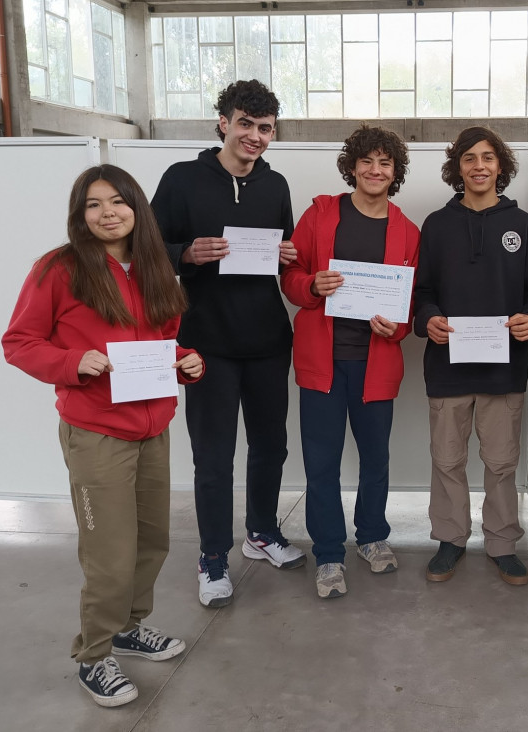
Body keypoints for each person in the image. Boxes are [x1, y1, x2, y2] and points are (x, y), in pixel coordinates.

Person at [2, 165, 204, 707]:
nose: (107, 212)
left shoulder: (153, 267)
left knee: (152, 541)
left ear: (137, 208)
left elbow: (163, 338)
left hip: (153, 427)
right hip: (97, 434)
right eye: (93, 204)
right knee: (109, 553)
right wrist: (73, 361)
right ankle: (94, 654)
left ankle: (129, 626)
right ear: (80, 215)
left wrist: (185, 361)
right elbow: (19, 342)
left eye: (117, 201)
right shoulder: (59, 268)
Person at [151, 79, 306, 609]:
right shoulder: (182, 179)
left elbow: (281, 249)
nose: (255, 136)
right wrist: (186, 254)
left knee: (272, 447)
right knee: (213, 457)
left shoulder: (276, 185)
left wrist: (287, 256)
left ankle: (261, 533)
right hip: (206, 342)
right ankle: (213, 557)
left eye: (265, 128)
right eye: (245, 124)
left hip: (266, 339)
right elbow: (145, 250)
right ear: (224, 122)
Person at [414, 126, 528, 586]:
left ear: (502, 166)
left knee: (501, 463)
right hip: (447, 368)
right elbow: (422, 292)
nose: (479, 166)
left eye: (488, 157)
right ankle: (451, 538)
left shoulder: (523, 225)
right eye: (469, 158)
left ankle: (501, 542)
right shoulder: (436, 225)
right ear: (457, 167)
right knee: (448, 460)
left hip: (504, 370)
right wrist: (429, 318)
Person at [281, 126, 420, 599]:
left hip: (375, 364)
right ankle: (328, 554)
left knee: (375, 458)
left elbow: (409, 302)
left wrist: (396, 329)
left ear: (395, 172)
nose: (375, 170)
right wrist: (309, 287)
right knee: (322, 463)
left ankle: (372, 536)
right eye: (367, 161)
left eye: (385, 163)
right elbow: (291, 274)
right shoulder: (321, 215)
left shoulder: (407, 230)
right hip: (323, 361)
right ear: (353, 166)